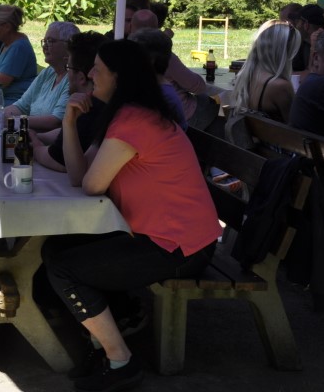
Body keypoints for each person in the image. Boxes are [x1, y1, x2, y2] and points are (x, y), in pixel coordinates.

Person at [42, 39, 220, 391]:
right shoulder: (127, 114)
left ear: (119, 78)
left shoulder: (134, 122)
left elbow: (91, 185)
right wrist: (69, 123)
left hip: (179, 247)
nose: (90, 75)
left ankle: (120, 360)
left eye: (98, 70)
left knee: (65, 267)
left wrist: (76, 132)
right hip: (162, 237)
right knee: (56, 247)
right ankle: (103, 346)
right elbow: (78, 176)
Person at [31, 31, 108, 172]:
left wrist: (34, 145)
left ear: (81, 77)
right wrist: (38, 136)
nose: (67, 74)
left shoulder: (90, 109)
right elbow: (68, 135)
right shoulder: (101, 104)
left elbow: (58, 160)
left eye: (68, 68)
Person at [3, 21, 79, 132]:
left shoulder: (73, 78)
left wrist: (14, 121)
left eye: (51, 41)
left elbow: (56, 121)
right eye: (44, 41)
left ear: (68, 45)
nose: (45, 46)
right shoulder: (48, 72)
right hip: (31, 135)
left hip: (46, 140)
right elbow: (21, 106)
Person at [231, 20, 302, 123]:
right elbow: (296, 126)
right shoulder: (280, 86)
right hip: (276, 134)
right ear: (284, 51)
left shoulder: (248, 76)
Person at [129, 28, 188, 129]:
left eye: (132, 56)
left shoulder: (162, 97)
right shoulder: (151, 87)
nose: (128, 61)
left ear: (150, 60)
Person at [290, 3, 324, 73]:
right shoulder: (302, 44)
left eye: (297, 22)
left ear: (306, 25)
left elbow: (312, 74)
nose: (295, 26)